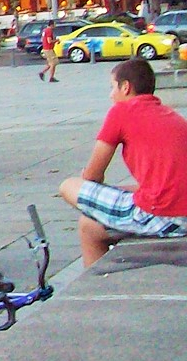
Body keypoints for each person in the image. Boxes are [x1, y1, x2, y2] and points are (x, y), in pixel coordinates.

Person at [58, 58, 187, 267]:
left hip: (164, 215)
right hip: (180, 210)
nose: (111, 95)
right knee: (88, 226)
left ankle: (98, 284)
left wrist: (91, 182)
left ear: (125, 87)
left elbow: (92, 176)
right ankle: (97, 279)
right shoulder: (171, 114)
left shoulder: (122, 111)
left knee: (68, 186)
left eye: (113, 87)